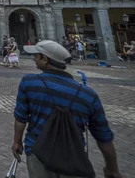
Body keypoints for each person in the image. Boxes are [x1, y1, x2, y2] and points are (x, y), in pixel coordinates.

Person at [12, 40, 122, 178]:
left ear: (45, 59)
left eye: (36, 56)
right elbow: (104, 137)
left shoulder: (30, 83)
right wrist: (112, 169)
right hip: (73, 157)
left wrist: (17, 142)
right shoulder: (88, 95)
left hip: (37, 152)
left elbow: (21, 118)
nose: (33, 58)